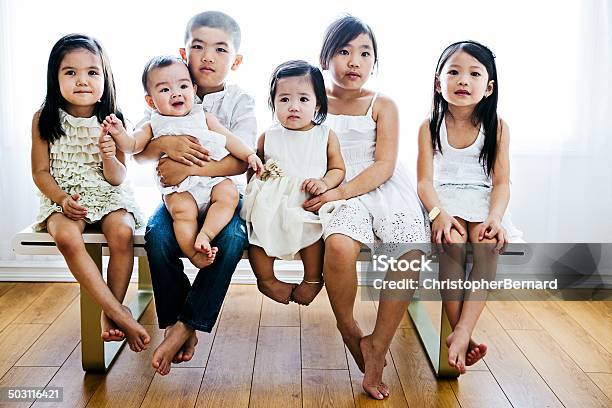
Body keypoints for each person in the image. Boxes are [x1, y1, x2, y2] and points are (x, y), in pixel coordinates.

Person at [303, 16, 430, 399]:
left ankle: (379, 343)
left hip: (380, 185)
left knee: (408, 250)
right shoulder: (313, 98)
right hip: (331, 184)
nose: (354, 61)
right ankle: (348, 328)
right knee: (340, 245)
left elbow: (384, 165)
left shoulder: (382, 104)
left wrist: (343, 192)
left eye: (364, 53)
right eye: (344, 52)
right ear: (326, 57)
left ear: (375, 60)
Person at [132, 11, 256, 376]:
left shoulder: (239, 102)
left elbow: (241, 160)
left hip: (222, 196)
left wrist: (190, 167)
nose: (207, 56)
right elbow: (140, 151)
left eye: (219, 49)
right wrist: (165, 143)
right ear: (183, 52)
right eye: (198, 47)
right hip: (179, 197)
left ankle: (188, 324)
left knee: (231, 241)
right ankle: (173, 320)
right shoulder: (168, 88)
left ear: (235, 60)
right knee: (156, 236)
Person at [31, 34, 148, 352]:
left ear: (105, 77)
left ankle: (112, 312)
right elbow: (40, 172)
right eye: (70, 72)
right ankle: (116, 313)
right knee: (67, 237)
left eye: (92, 72)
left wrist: (109, 155)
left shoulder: (113, 120)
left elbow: (117, 178)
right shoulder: (45, 119)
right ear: (55, 78)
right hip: (63, 194)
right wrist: (61, 200)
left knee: (122, 232)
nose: (82, 80)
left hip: (106, 193)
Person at [417, 40, 521, 374]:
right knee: (454, 242)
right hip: (442, 200)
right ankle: (461, 333)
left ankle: (461, 332)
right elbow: (424, 182)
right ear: (438, 82)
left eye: (474, 74)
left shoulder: (498, 127)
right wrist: (438, 215)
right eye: (454, 72)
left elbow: (501, 182)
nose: (464, 80)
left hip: (481, 198)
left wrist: (495, 217)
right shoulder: (429, 126)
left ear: (488, 87)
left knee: (487, 245)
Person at [101, 56, 262, 269]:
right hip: (179, 188)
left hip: (212, 180)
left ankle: (205, 234)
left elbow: (229, 139)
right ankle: (194, 255)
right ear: (150, 101)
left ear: (194, 90)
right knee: (182, 213)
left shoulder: (203, 116)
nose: (176, 93)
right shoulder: (153, 123)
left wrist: (249, 154)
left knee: (229, 194)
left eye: (183, 86)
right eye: (165, 90)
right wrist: (119, 132)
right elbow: (133, 146)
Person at [241, 60, 345, 306]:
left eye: (303, 99)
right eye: (284, 99)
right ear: (273, 103)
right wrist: (256, 177)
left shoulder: (325, 136)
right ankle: (266, 280)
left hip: (306, 201)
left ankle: (312, 279)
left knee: (312, 232)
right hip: (271, 202)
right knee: (258, 236)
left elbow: (338, 168)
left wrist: (324, 182)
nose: (293, 107)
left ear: (318, 103)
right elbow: (255, 169)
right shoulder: (269, 135)